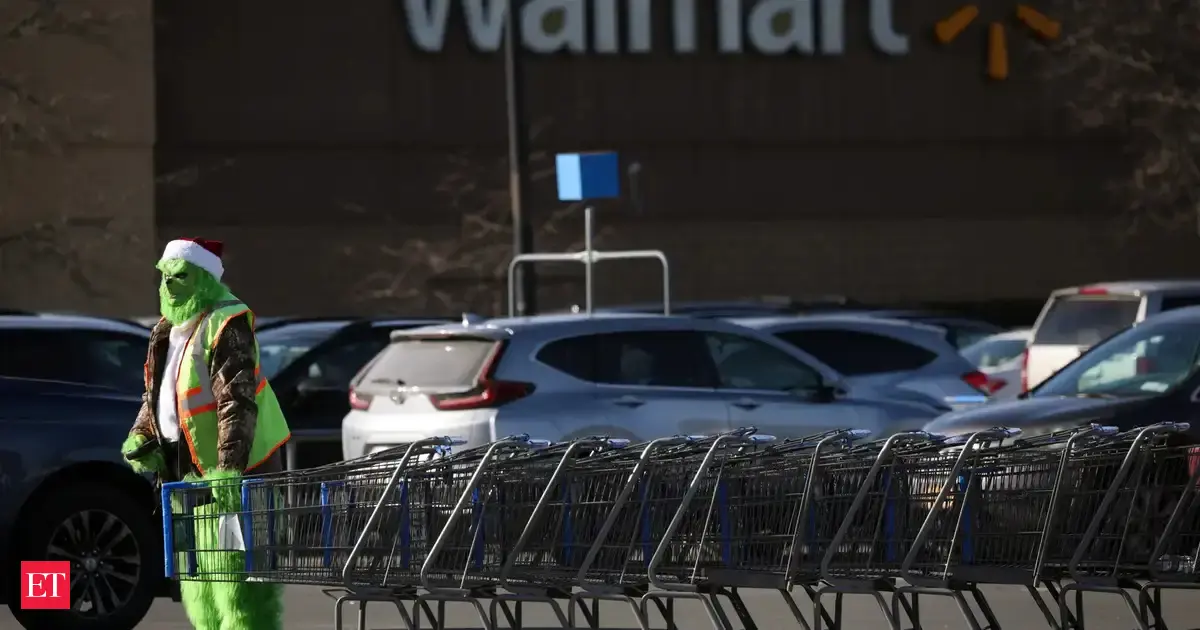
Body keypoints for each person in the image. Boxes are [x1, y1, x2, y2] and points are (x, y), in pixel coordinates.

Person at [120, 237, 291, 630]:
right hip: (190, 474)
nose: (168, 285)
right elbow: (157, 395)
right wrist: (142, 434)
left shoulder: (227, 322)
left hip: (239, 472)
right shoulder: (166, 330)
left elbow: (236, 398)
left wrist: (230, 469)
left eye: (180, 276)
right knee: (200, 579)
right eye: (164, 276)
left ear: (204, 278)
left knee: (238, 583)